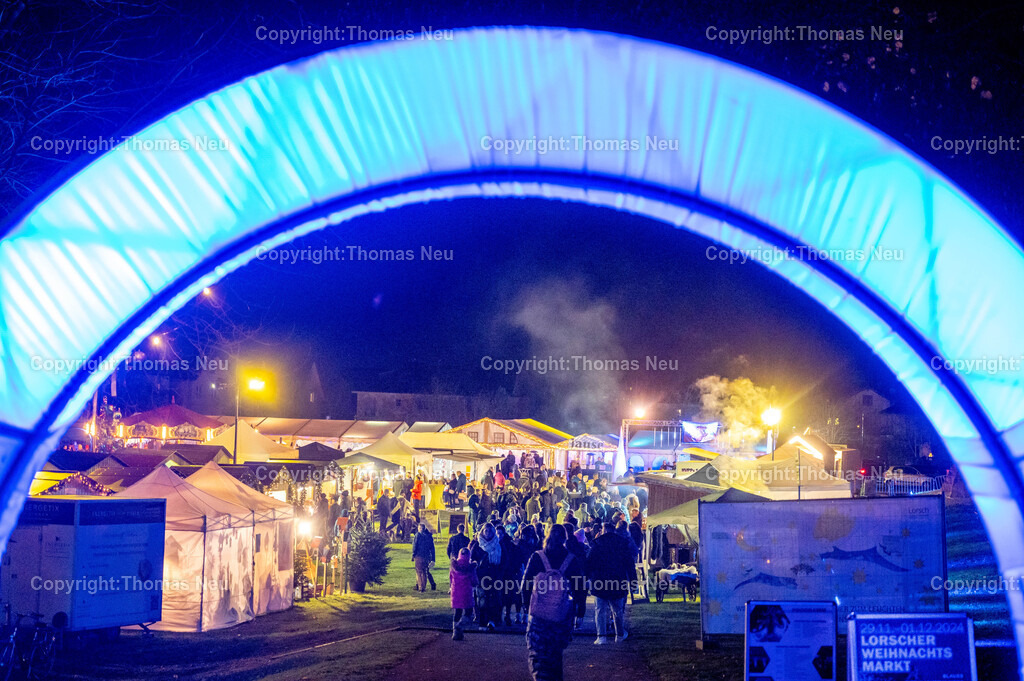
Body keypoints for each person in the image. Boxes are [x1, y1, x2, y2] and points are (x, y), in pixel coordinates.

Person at [520, 524, 587, 681]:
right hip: (561, 615)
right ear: (564, 538)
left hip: (538, 614)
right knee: (555, 656)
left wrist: (525, 605)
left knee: (537, 655)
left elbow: (527, 584)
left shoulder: (537, 557)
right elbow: (579, 588)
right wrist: (579, 611)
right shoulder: (571, 560)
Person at [587, 521, 635, 644]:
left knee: (600, 609)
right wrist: (633, 581)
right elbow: (629, 564)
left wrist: (587, 577)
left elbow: (590, 563)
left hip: (599, 581)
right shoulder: (622, 544)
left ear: (603, 530)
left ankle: (601, 636)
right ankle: (619, 635)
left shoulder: (597, 544)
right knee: (617, 610)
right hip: (618, 580)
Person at [472, 523, 504, 629]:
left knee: (494, 599)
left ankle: (493, 620)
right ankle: (482, 621)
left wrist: (500, 572)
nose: (488, 533)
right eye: (486, 530)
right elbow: (472, 560)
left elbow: (505, 560)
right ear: (482, 531)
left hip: (495, 576)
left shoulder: (498, 544)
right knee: (482, 599)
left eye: (490, 531)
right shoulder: (477, 545)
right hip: (481, 577)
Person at [449, 548, 478, 640]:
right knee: (469, 613)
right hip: (467, 592)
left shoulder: (454, 566)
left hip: (455, 592)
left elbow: (450, 578)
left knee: (457, 612)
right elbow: (474, 581)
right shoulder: (471, 567)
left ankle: (455, 633)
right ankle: (460, 625)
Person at [412, 523, 436, 592]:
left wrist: (413, 555)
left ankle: (420, 587)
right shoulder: (429, 536)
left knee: (419, 572)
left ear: (419, 528)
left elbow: (415, 546)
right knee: (425, 572)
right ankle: (424, 586)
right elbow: (432, 548)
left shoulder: (418, 535)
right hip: (427, 556)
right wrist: (433, 559)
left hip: (419, 555)